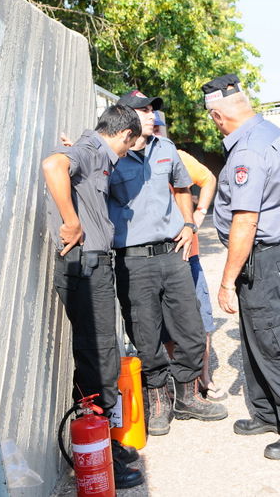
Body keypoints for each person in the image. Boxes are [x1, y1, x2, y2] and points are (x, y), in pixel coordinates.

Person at [203, 74, 280, 460]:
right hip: (273, 254)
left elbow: (245, 221)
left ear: (218, 116)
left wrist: (226, 281)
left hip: (263, 257)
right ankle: (268, 412)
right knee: (256, 335)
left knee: (274, 341)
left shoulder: (248, 152)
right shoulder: (271, 132)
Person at [109, 90, 227, 436]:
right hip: (133, 261)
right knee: (146, 336)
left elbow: (181, 188)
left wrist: (189, 225)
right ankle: (159, 401)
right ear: (124, 116)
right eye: (142, 110)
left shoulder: (166, 149)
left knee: (191, 330)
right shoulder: (112, 155)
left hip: (173, 255)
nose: (150, 115)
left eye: (151, 110)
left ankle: (189, 397)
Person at [42, 105, 144, 489]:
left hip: (94, 266)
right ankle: (94, 451)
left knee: (100, 354)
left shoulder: (94, 151)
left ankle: (100, 443)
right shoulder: (92, 149)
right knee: (97, 357)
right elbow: (53, 166)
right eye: (128, 146)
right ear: (124, 136)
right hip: (85, 267)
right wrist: (71, 220)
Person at [153, 113, 227, 401]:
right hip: (157, 258)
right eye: (151, 127)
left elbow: (208, 178)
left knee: (201, 321)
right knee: (167, 324)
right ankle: (181, 380)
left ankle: (203, 379)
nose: (156, 132)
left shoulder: (177, 156)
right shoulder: (131, 160)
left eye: (160, 127)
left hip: (188, 255)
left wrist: (199, 212)